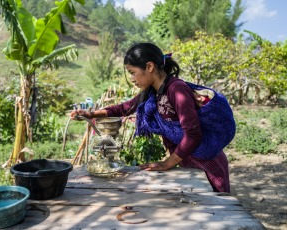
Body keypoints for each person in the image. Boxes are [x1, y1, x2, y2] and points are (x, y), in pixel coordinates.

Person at [70, 42, 235, 193]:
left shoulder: (177, 90)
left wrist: (167, 163)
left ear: (149, 66)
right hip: (187, 161)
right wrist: (89, 114)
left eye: (133, 73)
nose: (132, 79)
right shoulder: (153, 93)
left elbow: (193, 134)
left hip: (207, 163)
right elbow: (124, 108)